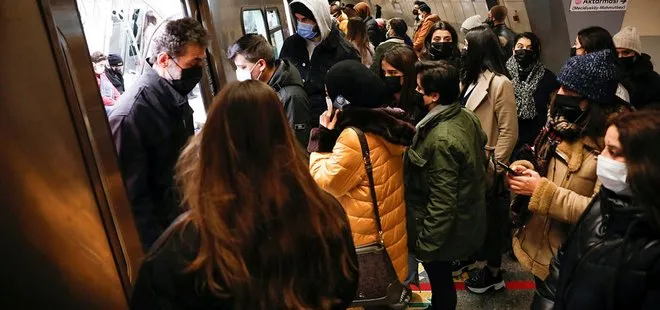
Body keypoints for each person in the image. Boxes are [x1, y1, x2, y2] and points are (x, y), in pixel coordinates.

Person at [130, 81, 359, 309]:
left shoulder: (186, 244)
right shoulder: (324, 212)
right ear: (284, 137)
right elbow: (346, 286)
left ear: (210, 145)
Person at [505, 50, 626, 308]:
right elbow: (540, 161)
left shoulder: (611, 145)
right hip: (541, 243)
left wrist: (541, 191)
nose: (559, 94)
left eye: (569, 90)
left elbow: (603, 212)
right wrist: (524, 170)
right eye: (561, 85)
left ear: (591, 101)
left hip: (577, 256)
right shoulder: (558, 124)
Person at [308, 59, 415, 290]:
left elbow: (326, 183)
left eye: (330, 94)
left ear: (342, 99)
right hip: (389, 236)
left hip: (365, 244)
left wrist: (323, 138)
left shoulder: (353, 138)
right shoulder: (388, 122)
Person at [108, 18, 208, 250]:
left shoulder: (174, 98)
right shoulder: (130, 115)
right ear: (164, 60)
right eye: (194, 62)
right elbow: (133, 199)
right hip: (164, 239)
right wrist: (158, 253)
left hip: (184, 223)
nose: (198, 70)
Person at [549, 110, 660, 309]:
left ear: (647, 164)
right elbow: (561, 267)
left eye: (614, 151)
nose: (602, 157)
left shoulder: (652, 251)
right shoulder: (603, 204)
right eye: (604, 148)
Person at [406, 61, 488, 310]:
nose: (415, 92)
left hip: (442, 233)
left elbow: (443, 200)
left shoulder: (440, 138)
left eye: (419, 89)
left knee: (441, 285)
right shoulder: (464, 115)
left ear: (434, 96)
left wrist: (427, 244)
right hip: (463, 220)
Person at [457, 26, 518, 294]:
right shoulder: (469, 78)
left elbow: (509, 130)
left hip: (487, 166)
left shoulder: (499, 83)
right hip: (469, 162)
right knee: (474, 216)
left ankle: (494, 273)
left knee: (492, 221)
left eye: (467, 46)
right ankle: (472, 255)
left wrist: (495, 167)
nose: (463, 50)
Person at [280, 0, 360, 127]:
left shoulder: (345, 52)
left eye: (305, 19)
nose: (300, 24)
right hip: (294, 119)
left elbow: (352, 93)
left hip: (328, 124)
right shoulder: (290, 45)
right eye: (298, 19)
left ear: (319, 19)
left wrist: (334, 111)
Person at [227, 34, 312, 147]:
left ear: (261, 64)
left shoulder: (291, 97)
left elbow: (297, 145)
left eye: (243, 67)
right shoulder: (263, 88)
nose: (239, 73)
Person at [506, 32, 560, 149]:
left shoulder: (548, 77)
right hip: (510, 139)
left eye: (529, 48)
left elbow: (555, 110)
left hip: (538, 140)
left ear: (535, 53)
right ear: (513, 49)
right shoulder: (504, 76)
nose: (524, 51)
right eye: (520, 47)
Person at [572, 26, 632, 108]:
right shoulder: (574, 79)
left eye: (576, 45)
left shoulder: (617, 91)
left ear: (587, 52)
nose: (574, 48)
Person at [613, 26, 660, 109]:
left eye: (626, 52)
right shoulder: (609, 74)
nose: (620, 57)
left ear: (636, 54)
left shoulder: (652, 79)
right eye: (616, 53)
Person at [381, 45, 425, 124]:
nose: (387, 76)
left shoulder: (419, 103)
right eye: (384, 72)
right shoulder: (384, 98)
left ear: (408, 72)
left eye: (393, 72)